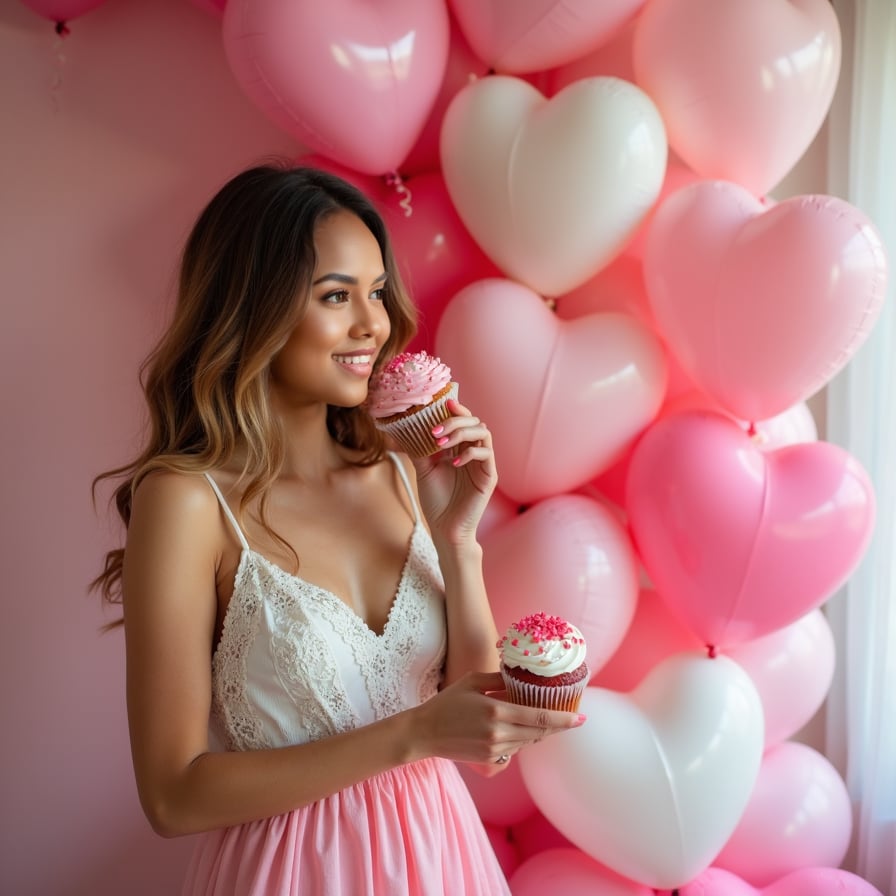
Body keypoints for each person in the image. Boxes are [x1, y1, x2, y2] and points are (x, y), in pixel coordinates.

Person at [91, 162, 585, 895]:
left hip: (439, 859)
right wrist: (413, 734)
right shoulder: (187, 502)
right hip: (294, 872)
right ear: (253, 308)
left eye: (376, 292)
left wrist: (459, 541)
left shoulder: (399, 471)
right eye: (335, 295)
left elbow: (483, 746)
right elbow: (172, 795)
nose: (372, 325)